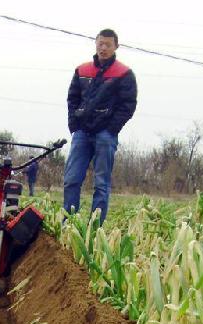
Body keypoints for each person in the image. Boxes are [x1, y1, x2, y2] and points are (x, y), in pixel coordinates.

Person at [63, 29, 137, 225]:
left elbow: (128, 105)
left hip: (105, 135)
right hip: (82, 133)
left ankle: (94, 229)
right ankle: (68, 225)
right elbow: (72, 99)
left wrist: (112, 129)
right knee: (71, 180)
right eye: (100, 44)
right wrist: (74, 125)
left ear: (116, 47)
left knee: (101, 184)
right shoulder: (82, 70)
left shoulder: (124, 74)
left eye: (108, 45)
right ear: (96, 44)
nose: (103, 48)